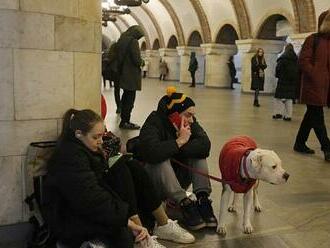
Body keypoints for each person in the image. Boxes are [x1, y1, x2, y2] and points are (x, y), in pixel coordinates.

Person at [43, 109, 195, 248]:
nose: (101, 141)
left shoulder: (85, 149)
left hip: (86, 208)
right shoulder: (70, 157)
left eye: (102, 135)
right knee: (122, 232)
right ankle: (141, 237)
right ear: (78, 134)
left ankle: (161, 225)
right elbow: (91, 198)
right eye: (96, 137)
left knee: (131, 166)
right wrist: (125, 221)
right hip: (69, 219)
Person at [136, 87, 217, 231]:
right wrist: (178, 142)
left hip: (178, 177)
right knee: (160, 159)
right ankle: (184, 203)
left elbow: (205, 145)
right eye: (188, 115)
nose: (191, 120)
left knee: (198, 155)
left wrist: (180, 146)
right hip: (155, 181)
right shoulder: (154, 122)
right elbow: (151, 152)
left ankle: (203, 198)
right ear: (174, 114)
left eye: (193, 116)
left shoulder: (190, 122)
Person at [293, 9, 330, 162]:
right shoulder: (312, 39)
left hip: (325, 87)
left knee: (311, 116)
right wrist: (315, 74)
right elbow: (303, 61)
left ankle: (299, 143)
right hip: (312, 86)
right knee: (317, 117)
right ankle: (327, 148)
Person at [117, 25, 144, 130]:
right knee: (130, 99)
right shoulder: (133, 41)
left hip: (123, 73)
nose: (138, 38)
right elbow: (137, 60)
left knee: (125, 97)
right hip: (131, 75)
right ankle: (125, 122)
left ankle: (124, 120)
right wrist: (142, 62)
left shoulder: (122, 40)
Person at [273, 43, 298, 121]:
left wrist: (278, 76)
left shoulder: (283, 58)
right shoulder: (296, 59)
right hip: (292, 82)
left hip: (282, 81)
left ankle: (278, 113)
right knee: (289, 99)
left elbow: (278, 69)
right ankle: (288, 116)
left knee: (278, 98)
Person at [107, 42, 122, 114]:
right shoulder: (119, 54)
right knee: (124, 90)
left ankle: (118, 106)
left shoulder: (111, 53)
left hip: (114, 72)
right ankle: (120, 106)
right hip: (119, 72)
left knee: (117, 91)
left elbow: (109, 60)